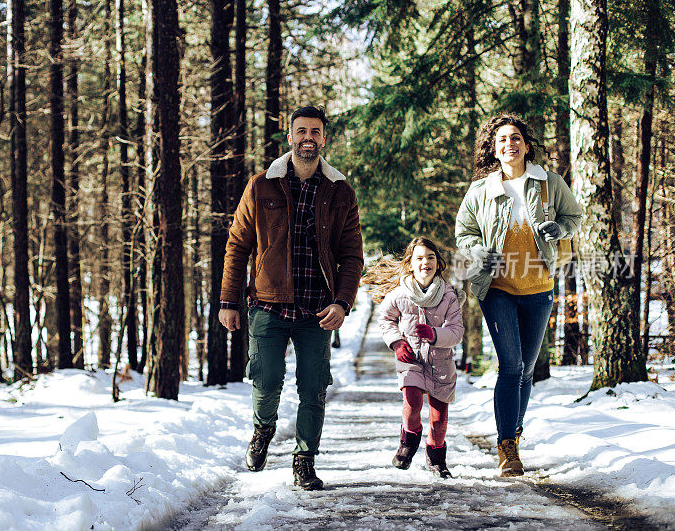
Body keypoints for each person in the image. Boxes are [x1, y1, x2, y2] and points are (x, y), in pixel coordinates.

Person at [218, 105, 364, 490]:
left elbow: (352, 257)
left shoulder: (340, 192)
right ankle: (262, 430)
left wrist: (343, 302)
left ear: (323, 138)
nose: (308, 138)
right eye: (301, 131)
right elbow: (237, 245)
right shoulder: (262, 184)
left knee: (313, 388)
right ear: (290, 136)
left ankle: (304, 460)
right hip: (267, 303)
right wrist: (228, 301)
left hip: (319, 311)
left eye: (315, 131)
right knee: (265, 382)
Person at [454, 113, 582, 477]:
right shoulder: (481, 190)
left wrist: (560, 227)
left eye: (515, 138)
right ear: (493, 150)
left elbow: (574, 216)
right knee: (510, 366)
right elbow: (463, 233)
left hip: (538, 288)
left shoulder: (548, 183)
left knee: (527, 369)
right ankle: (507, 447)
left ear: (526, 145)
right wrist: (479, 252)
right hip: (496, 288)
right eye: (501, 140)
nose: (509, 144)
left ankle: (514, 429)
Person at [365, 237, 464, 479]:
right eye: (419, 258)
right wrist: (398, 343)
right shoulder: (399, 294)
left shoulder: (449, 296)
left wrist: (434, 334)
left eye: (430, 257)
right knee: (412, 402)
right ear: (410, 263)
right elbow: (385, 320)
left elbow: (457, 332)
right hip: (410, 359)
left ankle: (436, 457)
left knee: (439, 419)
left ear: (438, 263)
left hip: (441, 362)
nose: (425, 262)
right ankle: (407, 443)